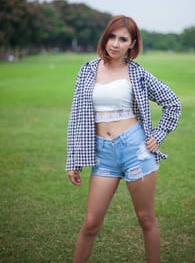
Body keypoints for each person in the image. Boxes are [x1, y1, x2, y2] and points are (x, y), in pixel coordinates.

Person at [66, 15, 181, 263]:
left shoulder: (138, 73)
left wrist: (158, 135)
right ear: (105, 37)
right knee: (90, 223)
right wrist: (73, 159)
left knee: (146, 218)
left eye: (123, 39)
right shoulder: (87, 70)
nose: (115, 44)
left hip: (135, 150)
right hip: (103, 154)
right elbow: (76, 116)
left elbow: (173, 103)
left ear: (132, 43)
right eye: (112, 36)